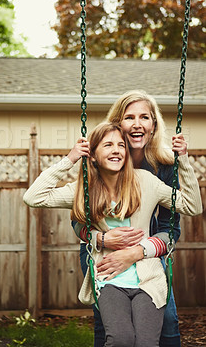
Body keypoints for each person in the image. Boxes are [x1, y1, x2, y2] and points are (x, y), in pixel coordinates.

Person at [23, 122, 202, 347]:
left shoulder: (145, 182)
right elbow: (33, 197)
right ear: (94, 155)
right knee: (120, 339)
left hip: (147, 279)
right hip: (109, 279)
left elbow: (193, 206)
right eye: (108, 145)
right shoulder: (83, 190)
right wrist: (70, 159)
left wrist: (183, 159)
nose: (116, 149)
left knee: (147, 342)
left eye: (120, 145)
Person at [72, 90, 183, 347]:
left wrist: (137, 252)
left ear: (154, 126)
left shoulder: (164, 168)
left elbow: (170, 227)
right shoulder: (99, 163)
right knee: (111, 327)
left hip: (149, 254)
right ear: (117, 125)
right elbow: (78, 220)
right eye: (129, 117)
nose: (137, 124)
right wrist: (100, 238)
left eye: (145, 117)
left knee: (167, 322)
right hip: (102, 252)